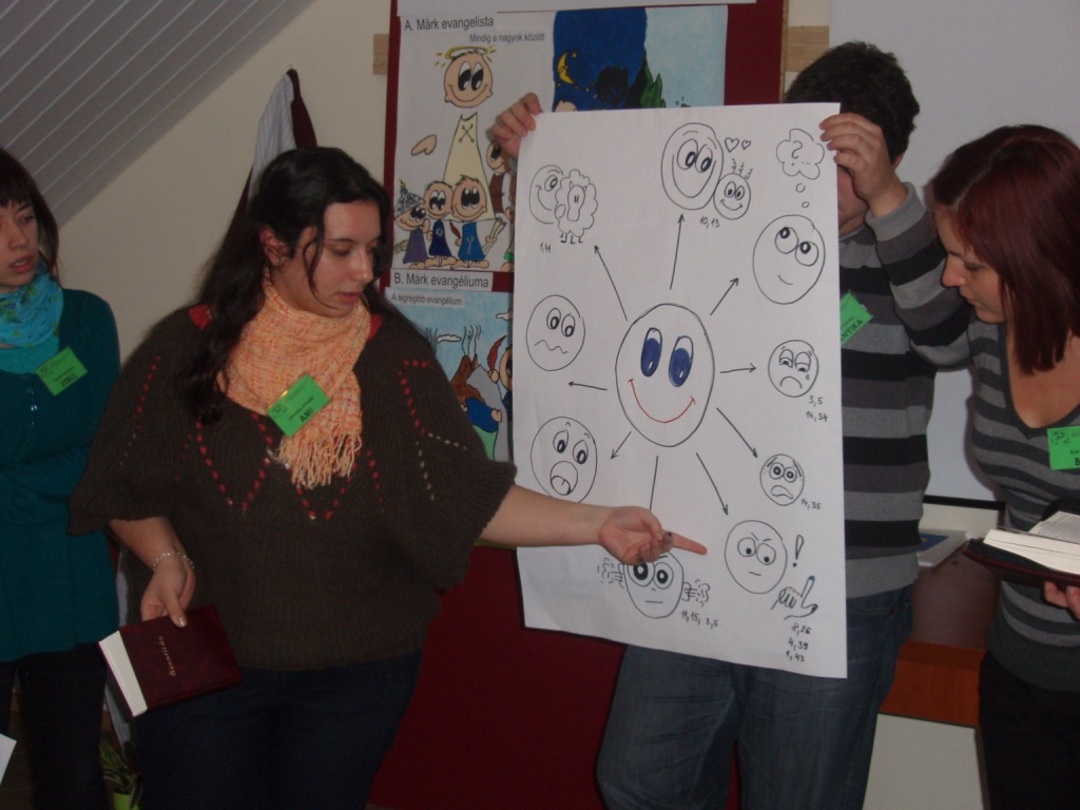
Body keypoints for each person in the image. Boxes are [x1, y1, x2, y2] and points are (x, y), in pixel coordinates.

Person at [69, 146, 703, 810]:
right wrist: (164, 558)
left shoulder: (393, 358)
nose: (364, 271)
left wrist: (597, 523)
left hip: (353, 675)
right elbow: (121, 487)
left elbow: (461, 493)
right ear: (274, 245)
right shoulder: (184, 348)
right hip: (200, 656)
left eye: (373, 249)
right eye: (341, 250)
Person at [491, 41, 970, 809]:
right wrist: (543, 160)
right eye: (814, 151)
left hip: (842, 589)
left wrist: (888, 199)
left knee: (797, 796)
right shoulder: (737, 228)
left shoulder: (917, 245)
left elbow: (950, 339)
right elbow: (620, 256)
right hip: (704, 564)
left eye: (851, 162)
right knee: (640, 776)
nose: (824, 179)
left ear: (891, 157)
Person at [928, 124, 1080, 809]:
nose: (950, 278)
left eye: (971, 264)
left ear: (1038, 257)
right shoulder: (990, 334)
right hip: (1021, 671)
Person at [0, 146, 119, 808]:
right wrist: (53, 485)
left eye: (24, 217)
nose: (18, 240)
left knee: (71, 775)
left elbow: (105, 452)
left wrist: (13, 487)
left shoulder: (85, 318)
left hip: (69, 581)